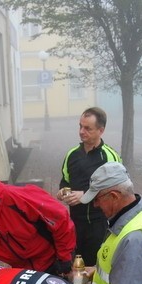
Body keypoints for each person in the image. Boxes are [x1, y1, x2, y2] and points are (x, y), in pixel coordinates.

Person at [57, 107, 122, 267]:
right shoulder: (72, 154)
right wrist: (62, 191)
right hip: (75, 225)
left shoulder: (109, 156)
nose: (81, 131)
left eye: (87, 128)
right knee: (75, 269)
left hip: (100, 224)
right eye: (80, 126)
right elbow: (65, 180)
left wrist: (84, 195)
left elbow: (118, 190)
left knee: (98, 270)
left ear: (101, 130)